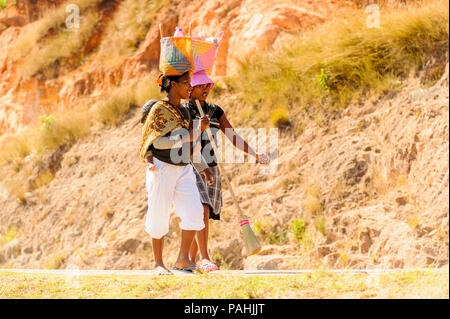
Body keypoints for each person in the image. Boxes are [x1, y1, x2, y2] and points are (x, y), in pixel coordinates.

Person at [185, 70, 270, 272]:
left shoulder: (215, 111)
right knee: (202, 208)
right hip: (192, 164)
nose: (206, 89)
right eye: (201, 85)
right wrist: (198, 128)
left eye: (208, 86)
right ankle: (205, 258)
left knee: (205, 213)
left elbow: (233, 136)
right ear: (191, 88)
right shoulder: (184, 110)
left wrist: (255, 154)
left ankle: (190, 260)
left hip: (212, 166)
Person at [139, 71, 213, 275]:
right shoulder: (159, 109)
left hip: (184, 169)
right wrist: (192, 134)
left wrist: (203, 168)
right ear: (171, 84)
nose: (190, 86)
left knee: (195, 212)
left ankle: (182, 259)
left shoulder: (185, 111)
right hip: (162, 168)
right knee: (159, 213)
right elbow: (158, 142)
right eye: (185, 82)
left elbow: (190, 146)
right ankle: (158, 263)